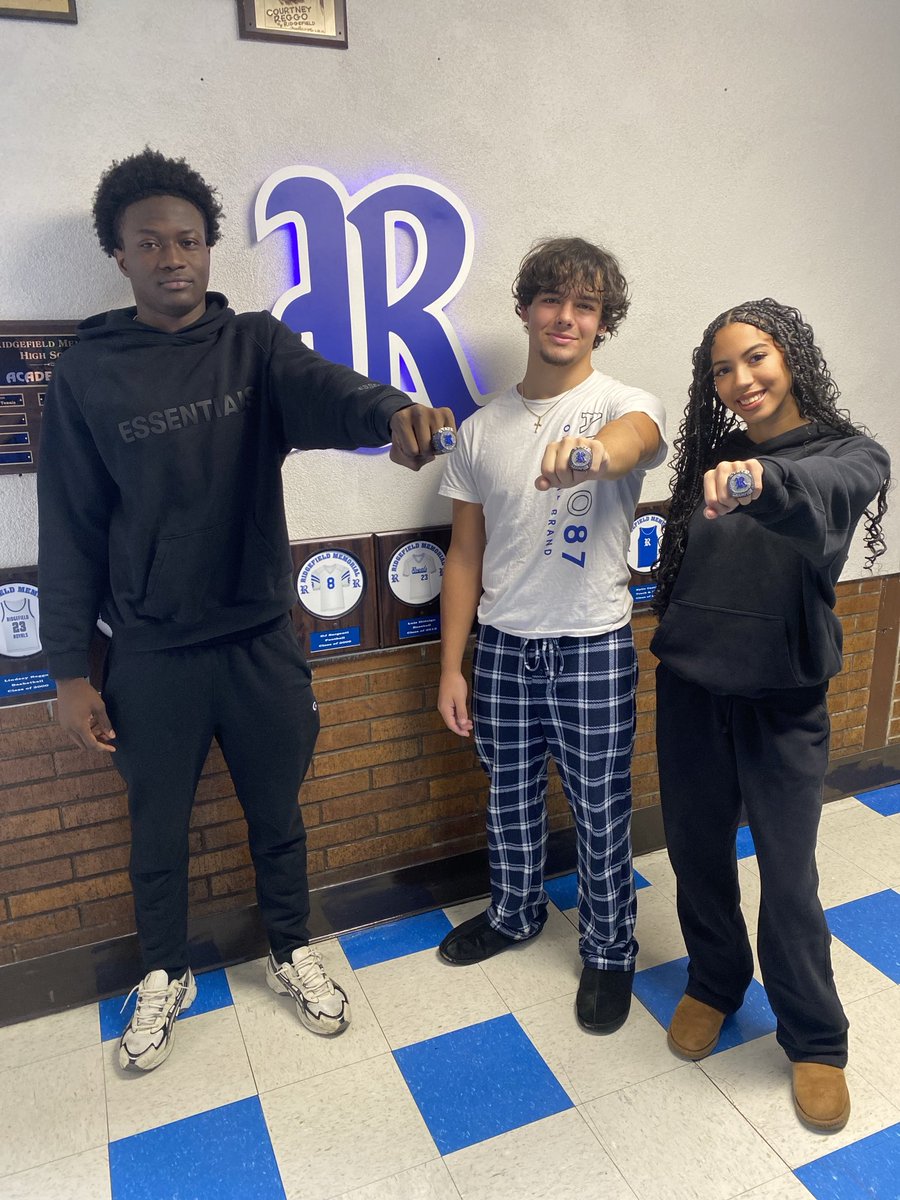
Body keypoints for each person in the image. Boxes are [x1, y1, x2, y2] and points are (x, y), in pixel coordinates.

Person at [37, 148, 455, 1072]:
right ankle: (163, 971)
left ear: (210, 249)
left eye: (188, 239)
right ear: (120, 254)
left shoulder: (256, 348)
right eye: (150, 242)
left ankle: (291, 947)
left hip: (260, 637)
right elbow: (65, 529)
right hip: (149, 653)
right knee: (156, 826)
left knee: (278, 811)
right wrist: (71, 672)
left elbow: (333, 391)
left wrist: (392, 411)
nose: (172, 256)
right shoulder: (86, 377)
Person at [651, 298, 890, 1130]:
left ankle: (816, 1037)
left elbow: (834, 488)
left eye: (755, 358)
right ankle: (716, 980)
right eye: (722, 368)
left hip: (784, 695)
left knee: (789, 875)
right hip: (690, 685)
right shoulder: (712, 451)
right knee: (696, 850)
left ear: (791, 358)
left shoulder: (846, 453)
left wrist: (768, 478)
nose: (740, 380)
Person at [436, 237, 666, 1033]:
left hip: (592, 643)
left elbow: (641, 440)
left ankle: (609, 949)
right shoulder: (480, 429)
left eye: (586, 305)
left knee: (601, 808)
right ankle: (515, 911)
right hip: (500, 644)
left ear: (603, 321)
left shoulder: (622, 403)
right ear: (528, 307)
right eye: (552, 300)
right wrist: (451, 667)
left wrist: (598, 455)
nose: (566, 317)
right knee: (509, 796)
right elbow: (464, 554)